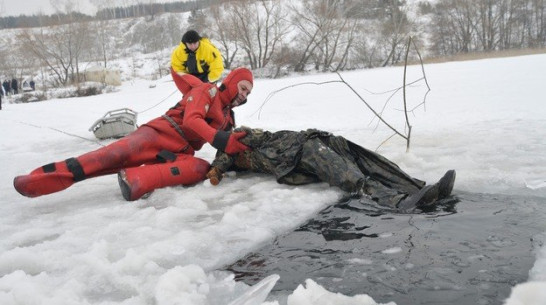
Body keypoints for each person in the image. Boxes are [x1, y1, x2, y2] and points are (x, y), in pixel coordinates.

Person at [13, 68, 254, 201]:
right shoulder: (206, 91)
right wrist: (222, 139)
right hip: (157, 133)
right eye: (243, 88)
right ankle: (37, 180)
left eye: (248, 93)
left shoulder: (228, 118)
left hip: (176, 152)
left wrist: (241, 153)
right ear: (232, 82)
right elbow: (192, 120)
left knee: (200, 168)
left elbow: (227, 146)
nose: (244, 95)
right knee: (108, 157)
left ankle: (136, 179)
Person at [206, 127, 456, 212]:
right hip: (299, 156)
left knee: (365, 158)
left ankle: (417, 187)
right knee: (350, 175)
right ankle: (398, 201)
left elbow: (261, 135)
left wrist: (248, 133)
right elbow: (219, 165)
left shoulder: (254, 133)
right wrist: (216, 171)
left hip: (313, 138)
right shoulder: (230, 149)